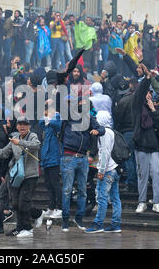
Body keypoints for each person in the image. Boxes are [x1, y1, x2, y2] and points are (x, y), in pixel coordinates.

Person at [0, 117, 41, 238]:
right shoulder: (14, 138)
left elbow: (36, 145)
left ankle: (28, 228)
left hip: (30, 175)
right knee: (15, 203)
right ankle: (20, 227)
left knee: (23, 201)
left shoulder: (32, 136)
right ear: (17, 126)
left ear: (29, 126)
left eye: (25, 124)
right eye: (20, 124)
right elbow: (4, 153)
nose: (22, 127)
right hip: (17, 175)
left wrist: (20, 143)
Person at [60, 99, 105, 232]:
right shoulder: (68, 116)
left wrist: (97, 131)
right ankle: (65, 220)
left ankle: (79, 218)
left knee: (82, 190)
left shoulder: (89, 118)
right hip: (69, 156)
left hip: (83, 157)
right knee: (67, 190)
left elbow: (101, 129)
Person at [133, 64, 159, 214]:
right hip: (141, 145)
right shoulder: (138, 106)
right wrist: (147, 78)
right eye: (147, 92)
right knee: (142, 175)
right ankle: (142, 201)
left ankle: (157, 201)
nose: (148, 95)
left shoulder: (154, 109)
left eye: (150, 93)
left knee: (156, 173)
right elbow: (140, 93)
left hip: (154, 145)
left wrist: (153, 110)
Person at [84, 111, 122, 234]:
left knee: (101, 197)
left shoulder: (104, 133)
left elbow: (104, 153)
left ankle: (98, 224)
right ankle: (116, 224)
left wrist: (101, 170)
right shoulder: (112, 131)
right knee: (115, 198)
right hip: (115, 168)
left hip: (108, 170)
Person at [39, 107, 62, 219]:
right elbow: (40, 122)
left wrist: (55, 114)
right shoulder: (47, 126)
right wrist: (45, 115)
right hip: (46, 159)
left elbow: (56, 124)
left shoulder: (55, 123)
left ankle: (60, 208)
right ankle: (51, 207)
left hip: (54, 158)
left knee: (55, 183)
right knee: (48, 184)